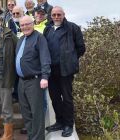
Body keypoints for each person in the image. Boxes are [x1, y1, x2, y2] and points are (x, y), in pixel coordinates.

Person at [44, 6, 85, 137]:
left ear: (63, 15)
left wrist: (70, 59)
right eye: (54, 14)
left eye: (59, 14)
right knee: (54, 98)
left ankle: (68, 124)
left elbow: (81, 48)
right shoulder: (48, 29)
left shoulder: (72, 28)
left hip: (66, 70)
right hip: (51, 70)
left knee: (67, 98)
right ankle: (59, 121)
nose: (56, 17)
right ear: (51, 15)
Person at [16, 15, 51, 140]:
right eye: (22, 25)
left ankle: (38, 138)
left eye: (27, 24)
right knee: (26, 113)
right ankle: (32, 137)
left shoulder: (39, 38)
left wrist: (45, 76)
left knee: (37, 113)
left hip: (35, 81)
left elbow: (45, 58)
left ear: (33, 23)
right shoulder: (21, 39)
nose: (25, 27)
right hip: (21, 82)